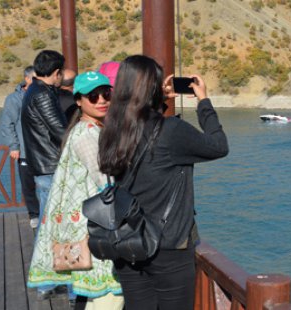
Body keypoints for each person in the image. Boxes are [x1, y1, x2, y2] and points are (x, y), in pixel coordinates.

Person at [98, 55, 228, 310]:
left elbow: (144, 129)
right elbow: (219, 146)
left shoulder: (111, 130)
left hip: (127, 240)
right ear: (153, 88)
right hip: (168, 245)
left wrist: (158, 101)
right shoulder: (172, 131)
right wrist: (204, 101)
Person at [27, 71, 124, 309]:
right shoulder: (87, 134)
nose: (101, 100)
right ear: (79, 101)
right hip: (92, 230)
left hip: (81, 227)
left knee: (92, 296)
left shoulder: (84, 129)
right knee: (110, 296)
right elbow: (105, 182)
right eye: (93, 96)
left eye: (106, 93)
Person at [21, 50, 67, 230]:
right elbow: (60, 131)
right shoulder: (42, 94)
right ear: (57, 73)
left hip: (45, 165)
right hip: (49, 166)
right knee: (48, 223)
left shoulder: (36, 89)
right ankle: (40, 258)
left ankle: (43, 257)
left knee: (48, 220)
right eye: (62, 72)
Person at [1, 66, 40, 227]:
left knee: (49, 183)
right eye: (36, 79)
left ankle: (49, 213)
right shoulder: (14, 99)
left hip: (44, 150)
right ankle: (34, 214)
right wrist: (14, 146)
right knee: (28, 185)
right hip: (24, 150)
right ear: (27, 79)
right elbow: (7, 124)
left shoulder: (43, 94)